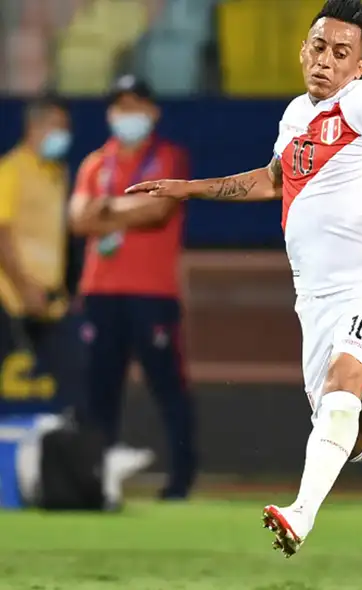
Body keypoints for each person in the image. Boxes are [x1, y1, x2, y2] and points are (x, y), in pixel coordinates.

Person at [125, 0, 362, 556]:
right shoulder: (296, 116)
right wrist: (187, 187)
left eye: (341, 53)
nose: (326, 61)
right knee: (351, 434)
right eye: (319, 48)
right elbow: (273, 180)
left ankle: (300, 514)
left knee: (345, 382)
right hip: (316, 299)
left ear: (360, 66)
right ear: (304, 50)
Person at [67, 75, 195, 500]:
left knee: (167, 387)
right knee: (99, 390)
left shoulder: (170, 158)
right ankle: (95, 479)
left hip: (152, 292)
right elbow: (77, 221)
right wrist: (121, 210)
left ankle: (180, 479)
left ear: (153, 111)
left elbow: (159, 208)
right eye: (120, 106)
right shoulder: (94, 163)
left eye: (136, 105)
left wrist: (106, 208)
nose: (128, 115)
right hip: (101, 291)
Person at [0, 97, 74, 392]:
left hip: (51, 304)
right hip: (12, 302)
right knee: (13, 390)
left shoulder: (58, 174)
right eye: (59, 127)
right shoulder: (10, 171)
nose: (64, 136)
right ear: (35, 126)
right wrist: (23, 286)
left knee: (55, 391)